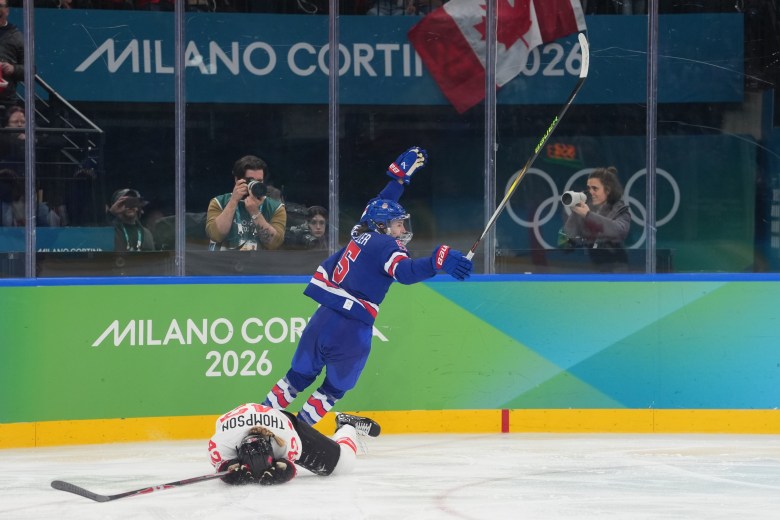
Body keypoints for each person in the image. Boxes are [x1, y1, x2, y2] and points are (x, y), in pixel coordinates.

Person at [261, 146, 473, 426]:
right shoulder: (387, 245)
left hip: (324, 317)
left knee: (296, 378)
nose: (401, 230)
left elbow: (380, 202)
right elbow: (405, 272)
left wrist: (398, 180)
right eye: (397, 224)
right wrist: (437, 261)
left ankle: (257, 422)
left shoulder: (361, 232)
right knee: (332, 390)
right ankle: (298, 433)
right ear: (384, 227)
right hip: (352, 328)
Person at [208, 402, 381, 486]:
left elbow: (289, 466)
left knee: (344, 465)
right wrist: (232, 468)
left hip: (285, 422)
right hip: (257, 422)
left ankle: (347, 426)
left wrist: (282, 471)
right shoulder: (223, 442)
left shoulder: (286, 441)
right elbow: (225, 466)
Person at [205, 154, 287, 251]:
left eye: (259, 181)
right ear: (237, 180)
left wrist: (255, 213)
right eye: (250, 180)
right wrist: (233, 201)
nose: (255, 184)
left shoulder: (276, 208)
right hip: (224, 263)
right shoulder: (218, 202)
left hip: (259, 264)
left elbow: (275, 243)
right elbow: (215, 235)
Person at [561, 166, 630, 272]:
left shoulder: (619, 208)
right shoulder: (584, 207)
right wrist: (574, 215)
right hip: (593, 265)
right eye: (589, 188)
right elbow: (566, 240)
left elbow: (618, 231)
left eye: (595, 188)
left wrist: (588, 215)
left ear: (608, 190)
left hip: (617, 264)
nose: (591, 192)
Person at [107, 187, 155, 252]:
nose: (129, 206)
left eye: (133, 201)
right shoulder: (110, 230)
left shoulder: (146, 233)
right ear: (116, 205)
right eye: (124, 202)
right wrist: (111, 213)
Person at [0, 1, 24, 113]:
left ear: (7, 10)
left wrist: (13, 69)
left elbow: (31, 69)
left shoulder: (17, 36)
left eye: (0, 5)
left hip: (7, 99)